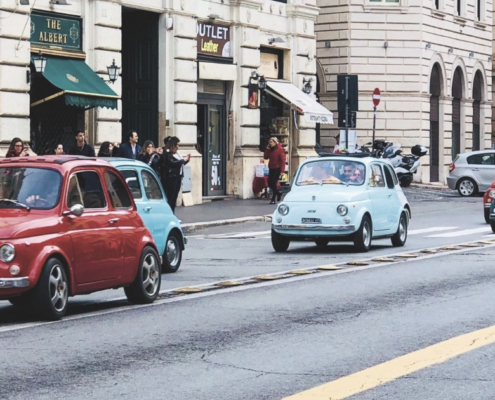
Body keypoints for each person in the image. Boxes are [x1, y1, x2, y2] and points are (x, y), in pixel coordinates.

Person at [162, 136, 190, 213]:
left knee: (175, 197)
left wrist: (186, 160)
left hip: (178, 176)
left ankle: (173, 213)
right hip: (171, 177)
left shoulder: (177, 153)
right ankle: (169, 213)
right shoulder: (168, 153)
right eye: (177, 144)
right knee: (170, 197)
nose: (178, 146)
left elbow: (180, 163)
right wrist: (182, 160)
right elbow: (172, 163)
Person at [263, 137, 286, 204]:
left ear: (275, 142)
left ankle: (273, 198)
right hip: (271, 167)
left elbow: (282, 161)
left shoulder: (280, 149)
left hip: (277, 168)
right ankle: (278, 193)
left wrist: (282, 171)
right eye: (269, 142)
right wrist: (267, 149)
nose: (270, 144)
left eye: (271, 142)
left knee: (273, 182)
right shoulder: (270, 149)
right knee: (270, 182)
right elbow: (266, 157)